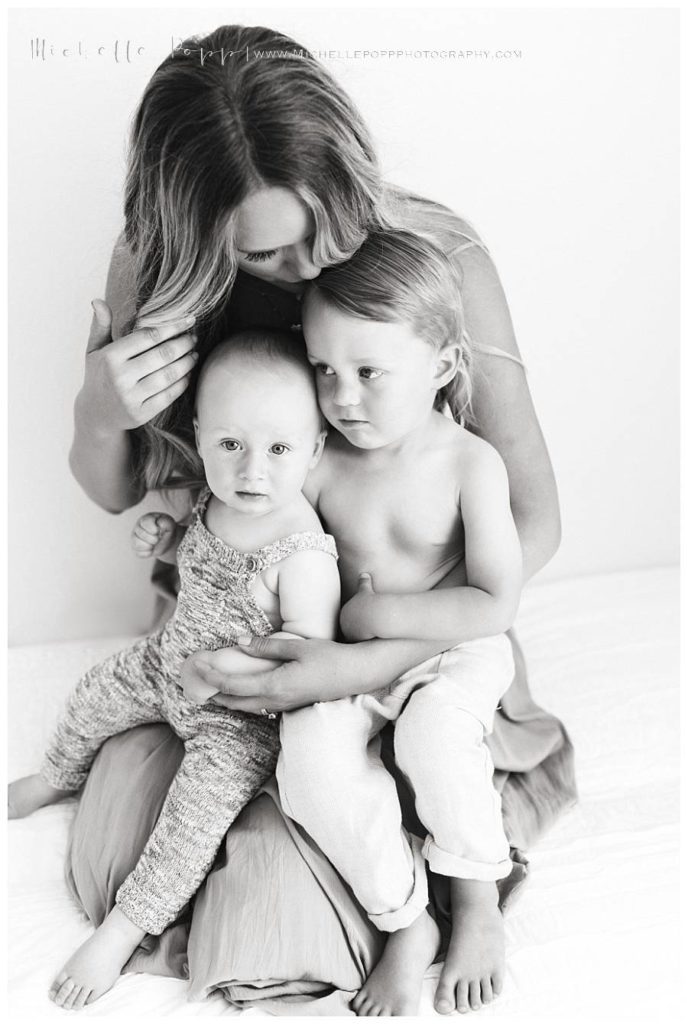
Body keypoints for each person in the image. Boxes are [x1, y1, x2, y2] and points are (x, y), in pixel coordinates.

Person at [65, 23, 576, 1016]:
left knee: (392, 790)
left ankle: (427, 906)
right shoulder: (155, 276)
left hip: (416, 629)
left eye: (324, 222)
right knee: (177, 833)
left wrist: (368, 653)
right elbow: (120, 488)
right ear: (198, 237)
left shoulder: (430, 259)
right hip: (236, 637)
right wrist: (99, 409)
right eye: (268, 250)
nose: (313, 263)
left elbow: (531, 518)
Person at [9, 331, 340, 1011]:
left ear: (315, 449)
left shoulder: (302, 551)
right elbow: (191, 571)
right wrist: (162, 538)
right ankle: (55, 775)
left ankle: (122, 931)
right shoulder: (211, 500)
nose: (253, 471)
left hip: (239, 721)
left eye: (279, 450)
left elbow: (309, 648)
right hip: (166, 665)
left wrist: (225, 670)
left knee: (190, 824)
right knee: (94, 692)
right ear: (200, 437)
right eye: (231, 446)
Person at [259, 229, 519, 1016]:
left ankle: (475, 898)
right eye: (324, 370)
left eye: (369, 373)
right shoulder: (322, 462)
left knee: (433, 737)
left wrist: (383, 612)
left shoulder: (471, 463)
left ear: (441, 365)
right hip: (353, 663)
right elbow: (257, 515)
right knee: (305, 764)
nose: (341, 398)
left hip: (454, 650)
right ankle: (404, 918)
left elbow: (495, 602)